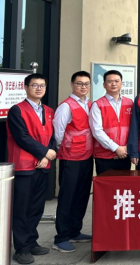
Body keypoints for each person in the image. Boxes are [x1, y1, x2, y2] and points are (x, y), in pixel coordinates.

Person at [7, 74, 57, 265]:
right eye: (34, 85)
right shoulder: (17, 110)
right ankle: (21, 248)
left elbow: (52, 136)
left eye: (42, 85)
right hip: (24, 166)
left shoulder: (49, 111)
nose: (39, 88)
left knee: (36, 207)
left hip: (43, 165)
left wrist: (48, 154)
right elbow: (22, 137)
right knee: (22, 208)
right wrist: (44, 153)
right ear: (26, 87)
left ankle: (31, 241)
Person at [52, 71, 94, 253]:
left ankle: (75, 231)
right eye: (79, 83)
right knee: (67, 197)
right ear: (72, 84)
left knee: (82, 195)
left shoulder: (90, 104)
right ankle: (61, 237)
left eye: (86, 84)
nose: (83, 87)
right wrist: (64, 150)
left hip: (87, 156)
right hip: (70, 158)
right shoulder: (65, 106)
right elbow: (58, 134)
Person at [90, 70, 133, 175]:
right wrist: (116, 148)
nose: (113, 84)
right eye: (109, 81)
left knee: (124, 185)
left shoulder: (130, 103)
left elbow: (134, 128)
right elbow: (97, 131)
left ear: (122, 84)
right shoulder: (97, 104)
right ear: (104, 85)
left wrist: (126, 148)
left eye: (117, 81)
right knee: (106, 184)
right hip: (105, 156)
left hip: (125, 154)